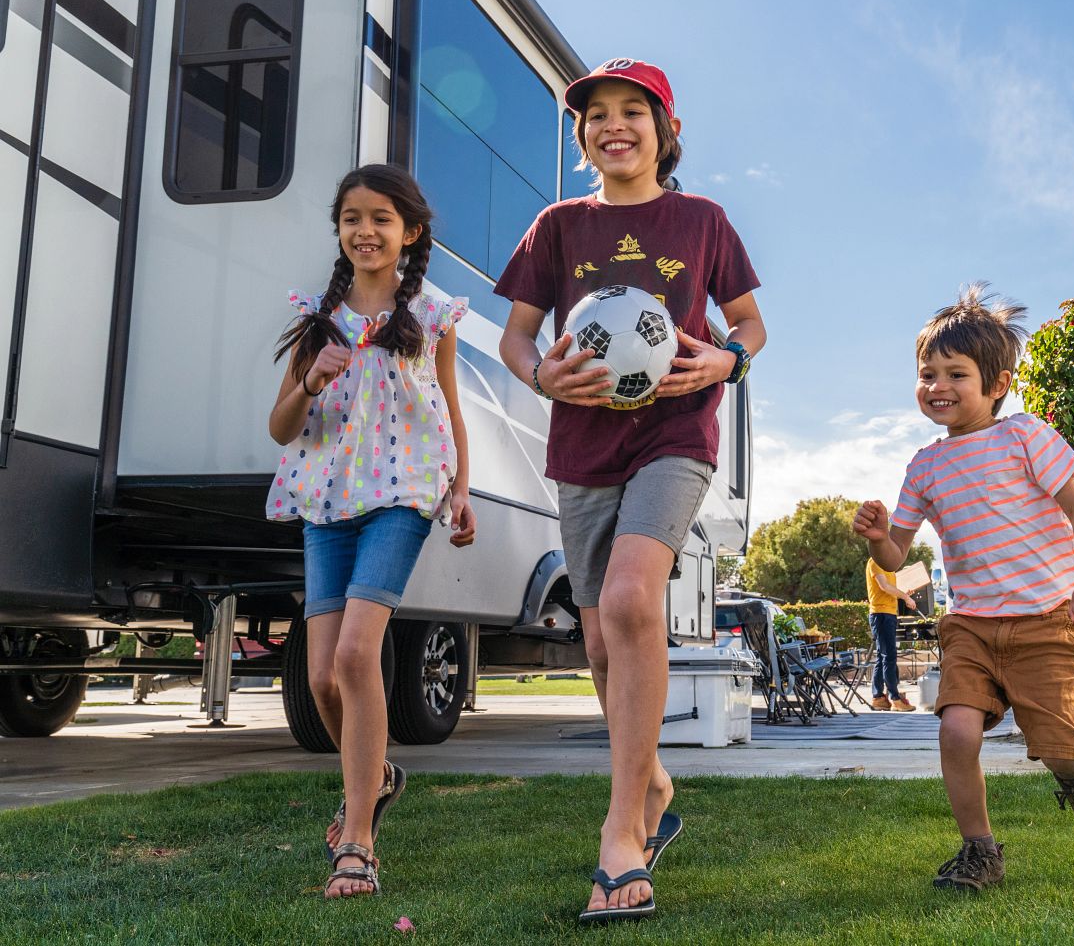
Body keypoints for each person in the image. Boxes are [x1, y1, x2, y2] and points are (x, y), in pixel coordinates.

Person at [495, 58, 767, 923]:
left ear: (664, 130)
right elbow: (517, 338)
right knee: (605, 640)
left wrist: (728, 358)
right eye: (596, 115)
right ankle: (650, 780)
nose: (614, 126)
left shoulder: (703, 220)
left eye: (632, 113)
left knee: (630, 600)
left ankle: (620, 835)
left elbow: (752, 322)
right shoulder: (558, 226)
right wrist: (544, 379)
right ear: (583, 138)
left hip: (677, 436)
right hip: (583, 446)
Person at [853, 285, 1074, 893]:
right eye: (927, 374)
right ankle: (980, 852)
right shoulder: (923, 466)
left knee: (1056, 747)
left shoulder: (1024, 436)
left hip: (1044, 620)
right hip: (970, 624)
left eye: (955, 373)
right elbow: (897, 555)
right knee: (956, 730)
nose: (937, 386)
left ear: (997, 384)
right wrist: (876, 538)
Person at [266, 164, 477, 899]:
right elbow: (281, 427)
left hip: (403, 496)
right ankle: (379, 777)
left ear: (409, 232)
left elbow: (450, 408)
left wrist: (461, 487)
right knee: (324, 677)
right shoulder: (318, 320)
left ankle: (357, 842)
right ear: (340, 231)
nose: (365, 230)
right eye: (352, 218)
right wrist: (310, 381)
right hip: (327, 503)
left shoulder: (433, 315)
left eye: (382, 218)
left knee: (359, 653)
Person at [864, 556, 916, 711]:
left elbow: (890, 590)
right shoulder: (876, 561)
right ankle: (895, 699)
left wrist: (903, 593)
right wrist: (906, 597)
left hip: (887, 614)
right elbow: (884, 586)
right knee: (889, 656)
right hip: (881, 614)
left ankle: (878, 697)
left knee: (882, 656)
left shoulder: (888, 566)